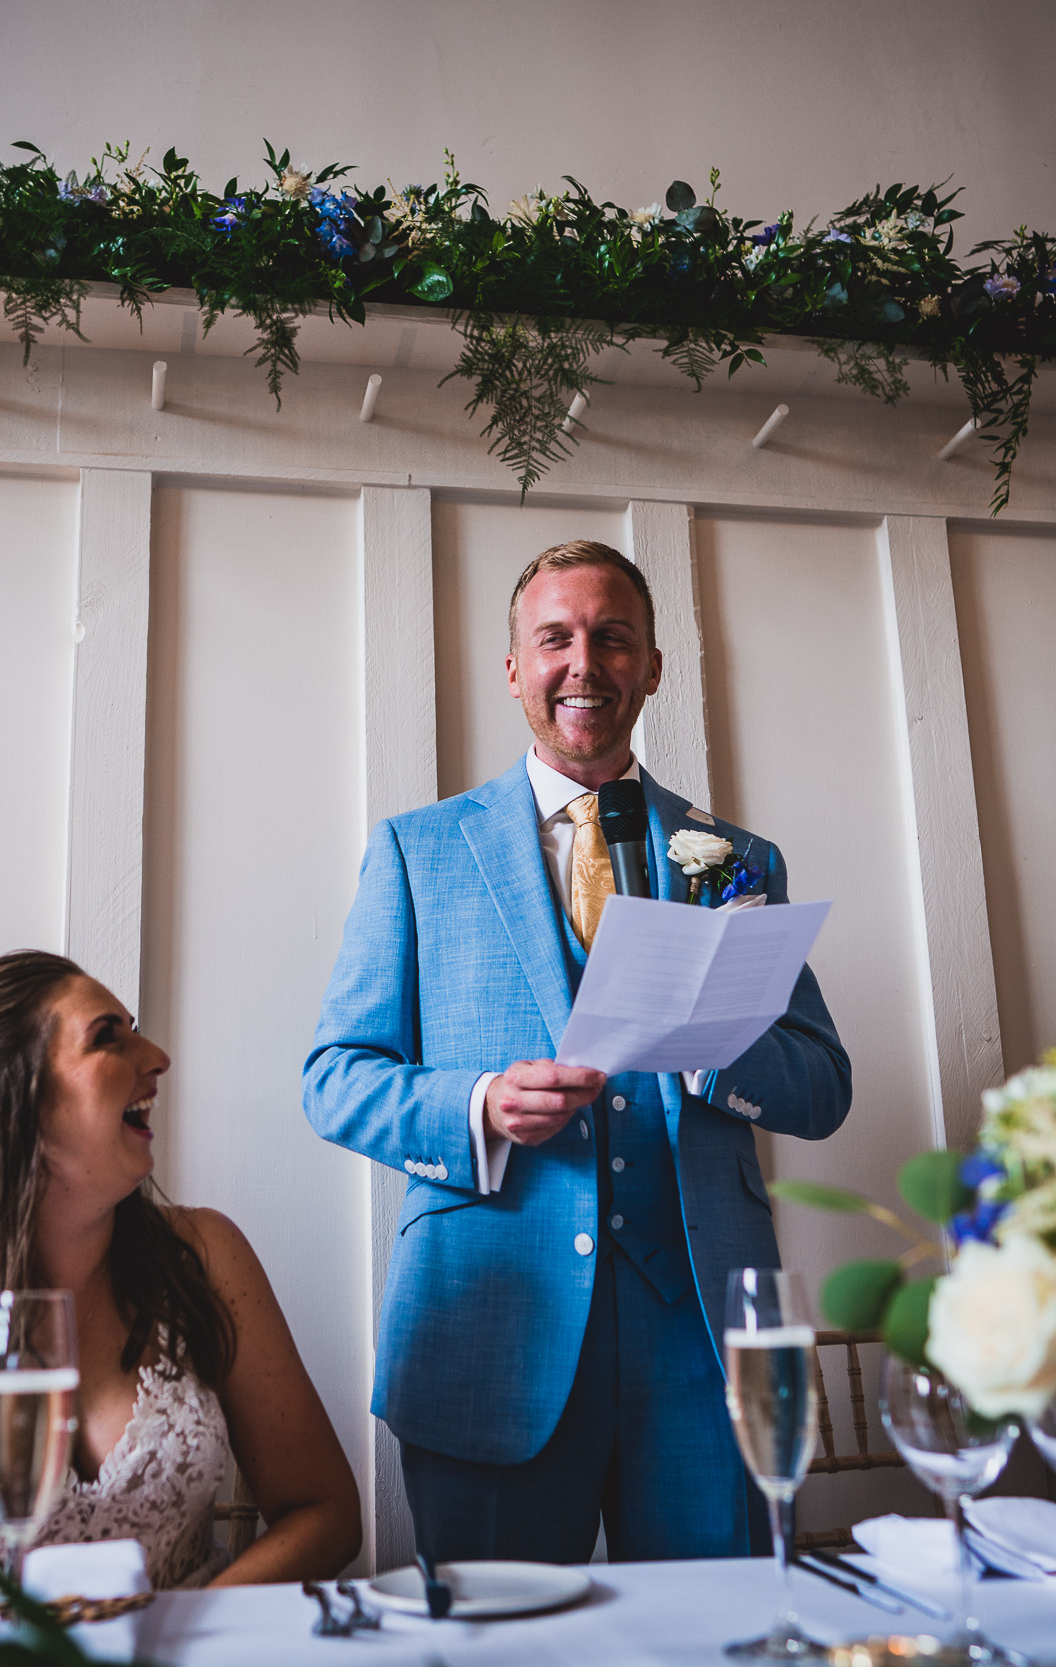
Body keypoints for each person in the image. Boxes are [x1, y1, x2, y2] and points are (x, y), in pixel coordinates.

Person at [303, 539, 854, 1564]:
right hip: (489, 1338)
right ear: (513, 666)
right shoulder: (417, 852)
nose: (583, 663)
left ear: (652, 664)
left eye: (612, 638)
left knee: (712, 1640)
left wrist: (714, 1051)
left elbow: (822, 1086)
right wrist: (478, 1106)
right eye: (553, 638)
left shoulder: (736, 860)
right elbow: (335, 1077)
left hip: (701, 1345)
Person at [0, 951, 359, 1596]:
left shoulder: (204, 1256)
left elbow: (325, 1513)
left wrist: (177, 1634)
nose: (157, 1057)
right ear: (16, 1104)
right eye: (108, 1038)